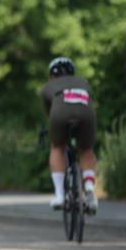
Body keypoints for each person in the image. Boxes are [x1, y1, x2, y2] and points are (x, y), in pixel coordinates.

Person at [40, 56, 98, 213]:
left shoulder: (48, 86)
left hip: (60, 115)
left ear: (52, 74)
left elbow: (49, 113)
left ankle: (59, 195)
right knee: (86, 149)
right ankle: (89, 188)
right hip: (86, 114)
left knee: (57, 146)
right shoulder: (83, 82)